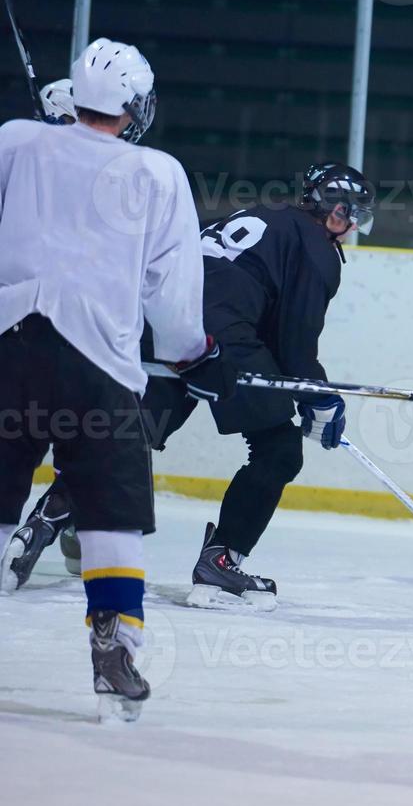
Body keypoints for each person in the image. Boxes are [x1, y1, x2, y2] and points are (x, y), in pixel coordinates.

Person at [3, 163, 377, 611]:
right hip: (223, 333)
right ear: (328, 209)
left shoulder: (261, 217)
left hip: (160, 320)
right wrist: (318, 398)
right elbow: (293, 343)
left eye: (352, 214)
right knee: (279, 450)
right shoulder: (316, 247)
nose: (349, 223)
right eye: (346, 213)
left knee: (129, 438)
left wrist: (308, 391)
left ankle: (45, 518)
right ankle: (220, 563)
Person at [0, 38, 236, 715]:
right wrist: (192, 351)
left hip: (10, 348)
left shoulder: (16, 143)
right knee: (110, 514)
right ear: (135, 107)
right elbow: (172, 294)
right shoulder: (158, 173)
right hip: (97, 366)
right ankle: (115, 648)